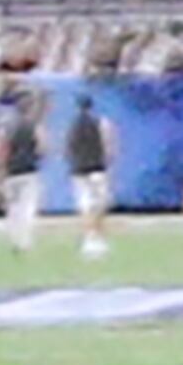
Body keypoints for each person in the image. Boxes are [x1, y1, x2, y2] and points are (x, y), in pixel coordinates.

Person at [66, 96, 116, 259]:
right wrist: (108, 162)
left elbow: (68, 147)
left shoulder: (72, 126)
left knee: (85, 204)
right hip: (97, 167)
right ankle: (99, 236)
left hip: (79, 169)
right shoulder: (101, 122)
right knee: (100, 204)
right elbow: (108, 145)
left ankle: (89, 238)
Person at [0, 98, 43, 253]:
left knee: (13, 207)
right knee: (28, 207)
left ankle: (14, 239)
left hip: (12, 171)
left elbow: (2, 149)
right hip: (29, 170)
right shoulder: (34, 127)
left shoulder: (7, 128)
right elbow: (43, 147)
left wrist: (1, 170)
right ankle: (26, 241)